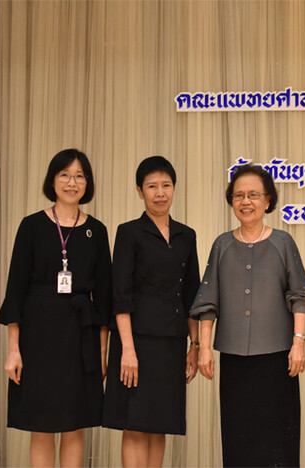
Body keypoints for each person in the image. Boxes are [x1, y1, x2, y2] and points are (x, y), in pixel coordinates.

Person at [191, 164, 305, 467]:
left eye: (254, 195)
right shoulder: (221, 244)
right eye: (239, 196)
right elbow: (208, 303)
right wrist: (204, 349)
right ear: (231, 201)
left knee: (277, 440)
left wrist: (299, 343)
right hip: (234, 360)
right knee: (238, 438)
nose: (246, 202)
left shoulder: (283, 242)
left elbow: (299, 296)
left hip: (278, 359)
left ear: (268, 200)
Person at [0, 148, 112, 467]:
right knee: (42, 425)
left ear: (87, 183)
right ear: (53, 180)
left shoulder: (97, 231)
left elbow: (104, 298)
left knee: (75, 423)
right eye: (64, 175)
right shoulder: (31, 226)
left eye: (79, 176)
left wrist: (102, 353)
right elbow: (15, 292)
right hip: (37, 336)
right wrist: (14, 350)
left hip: (80, 336)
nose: (71, 182)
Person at [102, 156, 200, 468]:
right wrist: (127, 351)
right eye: (152, 186)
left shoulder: (187, 235)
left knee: (160, 425)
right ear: (139, 191)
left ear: (174, 188)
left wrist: (195, 346)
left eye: (166, 185)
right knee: (134, 424)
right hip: (135, 342)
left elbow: (192, 295)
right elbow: (121, 296)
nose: (160, 193)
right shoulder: (129, 232)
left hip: (171, 342)